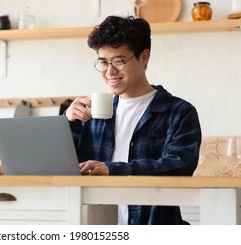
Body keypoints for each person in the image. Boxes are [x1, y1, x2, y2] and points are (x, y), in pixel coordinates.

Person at [65, 15, 202, 225]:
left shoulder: (179, 112)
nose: (110, 71)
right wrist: (66, 123)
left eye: (119, 61)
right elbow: (62, 169)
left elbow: (180, 165)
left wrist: (113, 169)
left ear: (144, 57)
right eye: (103, 62)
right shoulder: (90, 115)